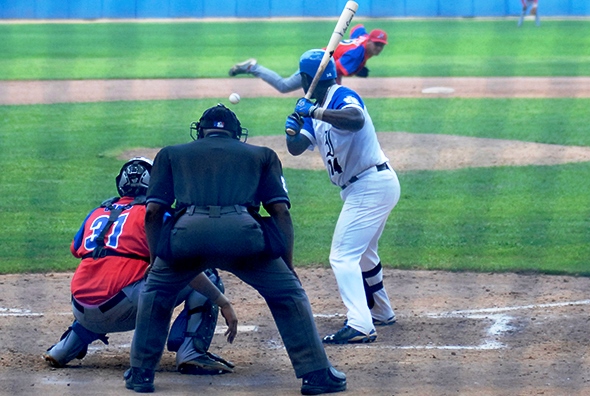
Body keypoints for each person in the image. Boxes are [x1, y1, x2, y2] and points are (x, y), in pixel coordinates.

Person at [125, 104, 346, 395]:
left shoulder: (170, 154)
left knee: (156, 293)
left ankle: (141, 374)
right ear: (235, 132)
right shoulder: (262, 155)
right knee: (288, 294)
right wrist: (287, 266)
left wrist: (157, 260)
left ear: (201, 131)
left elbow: (153, 213)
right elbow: (280, 212)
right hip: (243, 236)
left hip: (187, 237)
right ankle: (316, 374)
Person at [43, 157, 237, 376]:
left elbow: (76, 248)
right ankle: (192, 353)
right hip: (124, 307)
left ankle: (65, 348)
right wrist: (223, 302)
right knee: (206, 273)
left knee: (102, 280)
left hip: (79, 305)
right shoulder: (154, 214)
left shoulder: (97, 212)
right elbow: (186, 267)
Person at [284, 49, 400, 345]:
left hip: (371, 183)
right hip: (361, 187)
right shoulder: (317, 105)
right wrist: (293, 129)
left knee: (342, 255)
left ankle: (360, 324)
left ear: (307, 78)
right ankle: (381, 312)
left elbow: (355, 118)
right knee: (363, 254)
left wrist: (312, 112)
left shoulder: (339, 95)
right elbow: (296, 148)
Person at [228, 24, 388, 93]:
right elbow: (335, 70)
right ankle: (252, 67)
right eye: (376, 44)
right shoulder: (357, 54)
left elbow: (357, 28)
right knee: (285, 86)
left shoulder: (363, 37)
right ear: (369, 41)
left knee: (330, 97)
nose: (378, 48)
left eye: (381, 45)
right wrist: (353, 70)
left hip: (321, 57)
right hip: (317, 63)